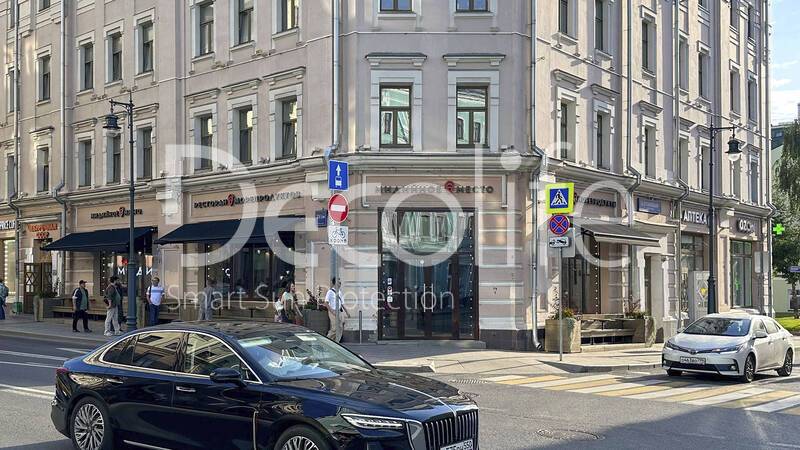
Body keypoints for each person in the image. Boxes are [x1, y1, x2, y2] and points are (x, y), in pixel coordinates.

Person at [325, 277, 350, 342]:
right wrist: (332, 311)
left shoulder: (339, 292)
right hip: (333, 311)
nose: (340, 283)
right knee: (335, 328)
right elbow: (326, 303)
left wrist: (347, 312)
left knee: (340, 328)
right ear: (335, 283)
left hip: (339, 311)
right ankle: (326, 341)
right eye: (339, 282)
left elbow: (342, 303)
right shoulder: (330, 292)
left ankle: (336, 342)